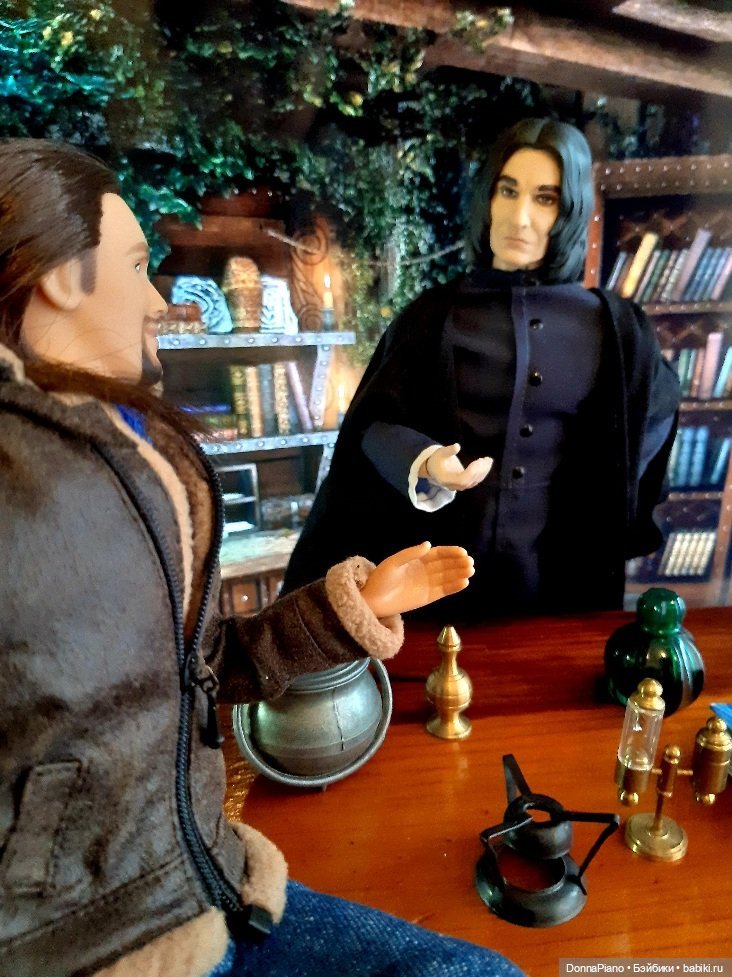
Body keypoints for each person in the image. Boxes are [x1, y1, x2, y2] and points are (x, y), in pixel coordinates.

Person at [0, 139, 523, 977]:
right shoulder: (30, 477)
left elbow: (200, 665)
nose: (160, 299)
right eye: (136, 265)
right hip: (95, 943)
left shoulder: (124, 453)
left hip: (203, 882)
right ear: (62, 277)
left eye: (546, 198)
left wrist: (354, 606)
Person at [283, 118, 681, 618]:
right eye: (507, 191)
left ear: (570, 211)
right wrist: (425, 461)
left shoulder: (617, 330)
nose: (519, 217)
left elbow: (655, 412)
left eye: (545, 198)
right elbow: (372, 427)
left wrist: (598, 478)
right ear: (487, 198)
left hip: (563, 581)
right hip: (436, 578)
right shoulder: (432, 318)